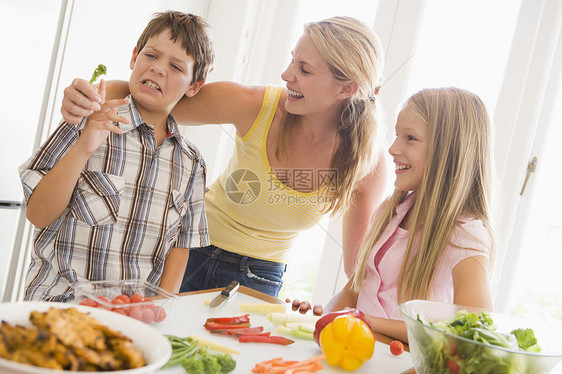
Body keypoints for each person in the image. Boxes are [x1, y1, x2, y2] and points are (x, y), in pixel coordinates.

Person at [60, 16, 388, 297]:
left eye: (303, 69)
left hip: (260, 278)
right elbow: (153, 99)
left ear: (345, 88)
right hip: (188, 252)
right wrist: (85, 96)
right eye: (292, 60)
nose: (286, 74)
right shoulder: (259, 106)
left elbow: (358, 269)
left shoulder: (366, 161)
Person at [18, 11, 215, 301]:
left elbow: (181, 245)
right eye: (151, 55)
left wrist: (161, 306)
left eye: (175, 66)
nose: (158, 69)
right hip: (61, 306)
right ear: (134, 57)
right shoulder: (88, 117)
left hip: (132, 317)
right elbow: (38, 214)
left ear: (193, 86)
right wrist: (84, 146)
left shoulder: (192, 163)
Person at [291, 87, 496, 343]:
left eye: (410, 138)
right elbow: (353, 292)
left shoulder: (466, 232)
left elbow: (473, 330)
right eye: (397, 135)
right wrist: (323, 321)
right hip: (354, 354)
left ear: (449, 150)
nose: (392, 148)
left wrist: (364, 321)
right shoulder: (390, 212)